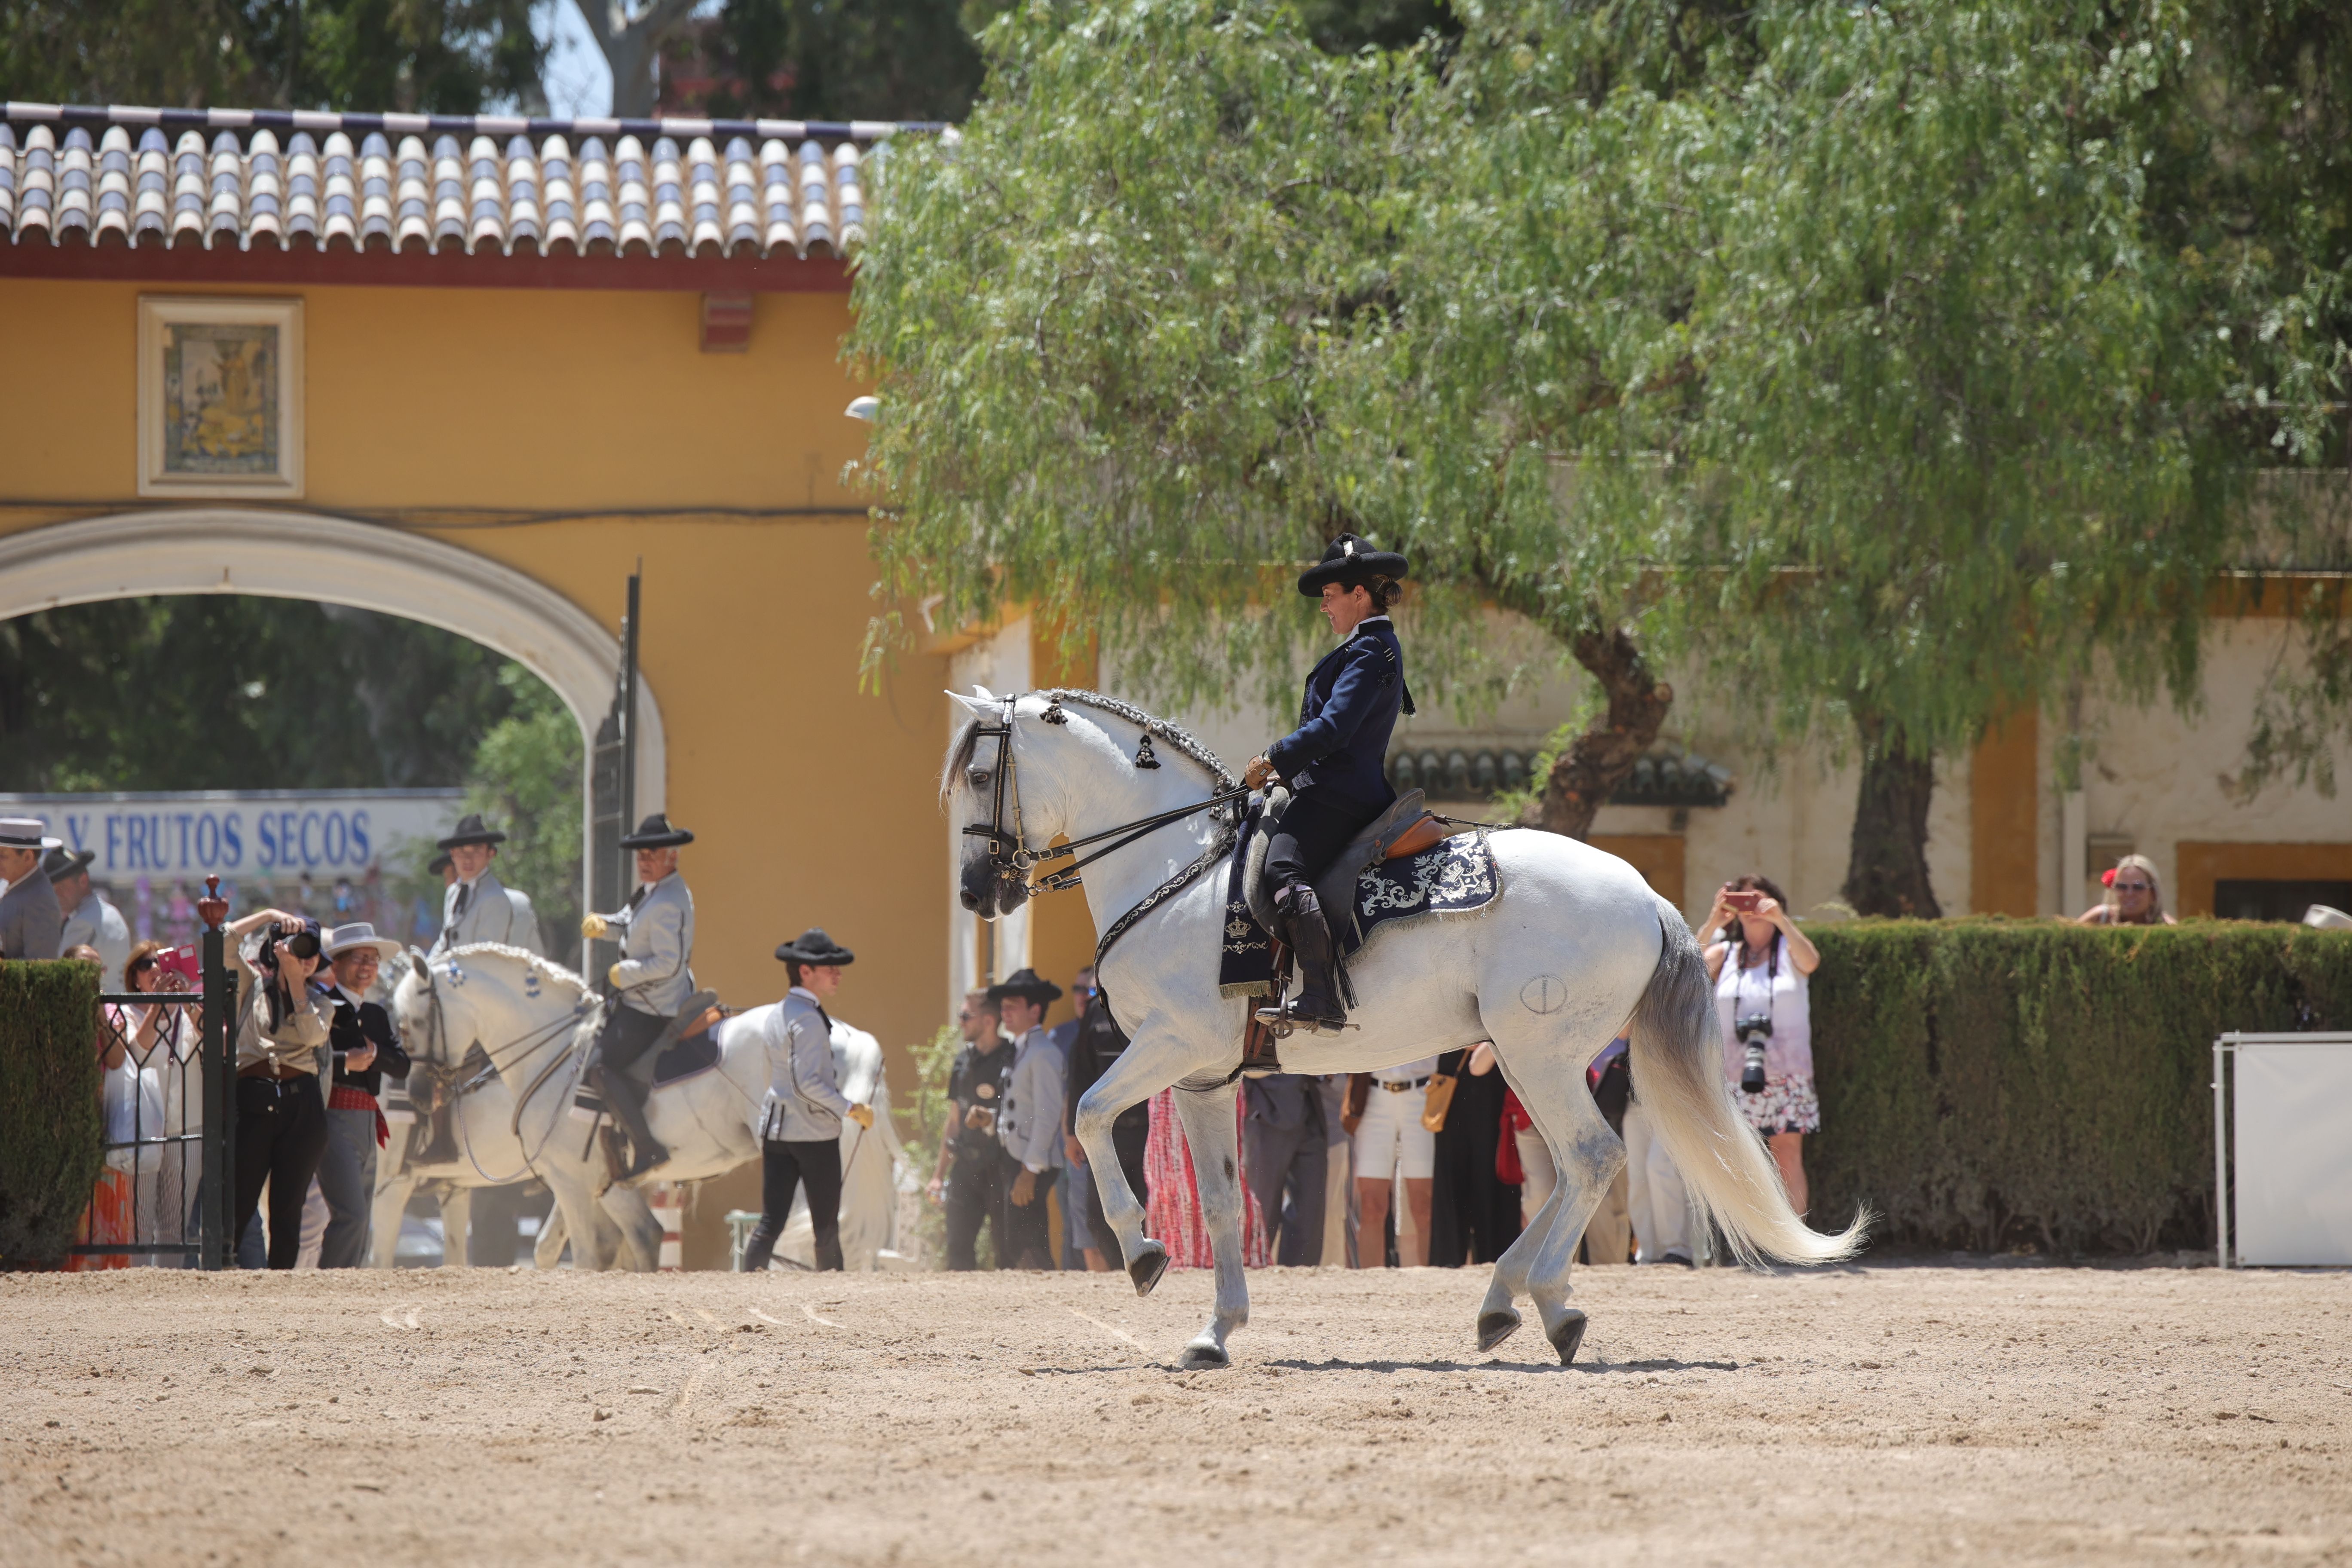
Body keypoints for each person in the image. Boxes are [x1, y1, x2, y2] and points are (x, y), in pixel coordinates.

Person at [1242, 533, 1416, 1033]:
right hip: (1330, 786)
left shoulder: (1370, 651)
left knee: (1281, 867)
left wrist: (1272, 757)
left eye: (1330, 595)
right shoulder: (1367, 647)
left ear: (1359, 595)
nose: (1324, 606)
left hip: (1338, 794)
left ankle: (1319, 994)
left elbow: (1334, 728)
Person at [739, 928, 872, 1273]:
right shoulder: (808, 1019)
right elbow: (807, 1084)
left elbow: (776, 1077)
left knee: (771, 1221)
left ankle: (744, 1287)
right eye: (829, 969)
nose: (837, 975)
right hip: (813, 1133)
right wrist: (850, 1108)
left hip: (777, 1128)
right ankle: (834, 1294)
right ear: (805, 972)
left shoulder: (778, 1012)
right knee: (826, 1225)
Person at [1699, 874, 1822, 1219]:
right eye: (1742, 902)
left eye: (1759, 900)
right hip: (1732, 1073)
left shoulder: (1788, 951)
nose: (1751, 909)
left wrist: (1780, 920)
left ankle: (1794, 1240)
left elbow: (1811, 961)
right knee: (1740, 1157)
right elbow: (1684, 971)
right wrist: (1713, 921)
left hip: (1787, 1072)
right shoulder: (1726, 952)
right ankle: (1753, 1240)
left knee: (1787, 1154)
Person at [579, 812, 696, 1178]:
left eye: (652, 855)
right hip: (639, 997)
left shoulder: (670, 901)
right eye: (641, 856)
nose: (644, 862)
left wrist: (623, 973)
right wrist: (605, 924)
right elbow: (630, 922)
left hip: (655, 1006)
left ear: (672, 857)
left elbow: (669, 964)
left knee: (600, 1067)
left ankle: (647, 1148)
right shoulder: (653, 891)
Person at [226, 909, 335, 1269]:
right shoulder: (251, 986)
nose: (303, 959)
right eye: (295, 950)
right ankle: (221, 1280)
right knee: (238, 1203)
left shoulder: (321, 1003)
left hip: (301, 1104)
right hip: (254, 1099)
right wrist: (269, 916)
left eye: (310, 953)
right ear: (275, 951)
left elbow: (312, 1036)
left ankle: (280, 1295)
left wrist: (297, 984)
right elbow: (222, 941)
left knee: (288, 1210)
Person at [314, 923, 410, 1269]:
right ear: (337, 964)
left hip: (368, 1120)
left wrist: (372, 1054)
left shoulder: (375, 1014)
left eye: (372, 959)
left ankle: (349, 1287)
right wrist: (345, 1063)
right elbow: (308, 1060)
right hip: (334, 1115)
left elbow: (401, 1065)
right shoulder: (322, 1006)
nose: (367, 966)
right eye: (359, 958)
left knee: (362, 1213)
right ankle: (330, 1289)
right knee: (351, 1213)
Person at [1062, 975, 1150, 1271]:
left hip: (1148, 1134)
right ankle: (1126, 1271)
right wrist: (1072, 1133)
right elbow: (1080, 1075)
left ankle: (1149, 1271)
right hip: (1107, 1135)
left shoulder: (1151, 1004)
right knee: (1098, 1218)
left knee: (1150, 1211)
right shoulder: (1094, 1011)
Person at [932, 989, 1015, 1269]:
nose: (961, 1022)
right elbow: (954, 1120)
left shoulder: (1012, 1058)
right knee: (958, 1250)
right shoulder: (962, 1062)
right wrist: (938, 1175)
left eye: (966, 1016)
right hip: (965, 1167)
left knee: (1007, 1250)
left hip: (1001, 1166)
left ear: (989, 1021)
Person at [991, 968, 1066, 1270]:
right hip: (1016, 1155)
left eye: (1013, 1005)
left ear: (1035, 1010)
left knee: (1027, 1239)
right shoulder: (1024, 1049)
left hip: (1030, 1160)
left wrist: (1031, 1169)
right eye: (1004, 1005)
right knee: (1016, 1236)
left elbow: (1048, 1113)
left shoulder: (1044, 1052)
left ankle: (1042, 1301)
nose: (1005, 1011)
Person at [1428, 1042, 1522, 1267]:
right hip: (1454, 1076)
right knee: (1451, 1179)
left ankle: (1499, 1263)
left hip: (1497, 1076)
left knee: (1495, 1171)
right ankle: (1447, 1266)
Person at [1346, 1056, 1438, 1267]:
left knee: (1423, 1205)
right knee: (1371, 1205)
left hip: (1424, 1093)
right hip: (1374, 1095)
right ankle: (1370, 1286)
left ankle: (1431, 1285)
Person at [1242, 1072, 1332, 1266]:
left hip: (1311, 1109)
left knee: (1311, 1212)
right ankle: (1252, 1281)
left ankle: (1301, 1282)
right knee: (1263, 1209)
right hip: (1266, 1114)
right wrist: (1253, 1104)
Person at [430, 814, 545, 955]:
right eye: (461, 851)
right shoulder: (453, 892)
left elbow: (484, 957)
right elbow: (444, 942)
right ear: (452, 854)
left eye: (476, 851)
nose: (468, 859)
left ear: (491, 854)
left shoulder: (495, 897)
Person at [47, 848, 131, 988]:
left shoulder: (82, 923)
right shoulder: (112, 912)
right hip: (119, 1004)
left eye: (61, 887)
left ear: (83, 881)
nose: (57, 895)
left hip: (99, 1006)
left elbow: (61, 977)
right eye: (53, 890)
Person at [0, 817, 65, 959]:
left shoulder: (39, 899)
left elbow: (40, 965)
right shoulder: (11, 885)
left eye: (3, 855)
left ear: (28, 857)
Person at [2076, 854, 2177, 927]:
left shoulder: (2168, 927)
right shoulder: (2099, 919)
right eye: (2122, 887)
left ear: (2153, 893)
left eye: (2138, 887)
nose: (2129, 894)